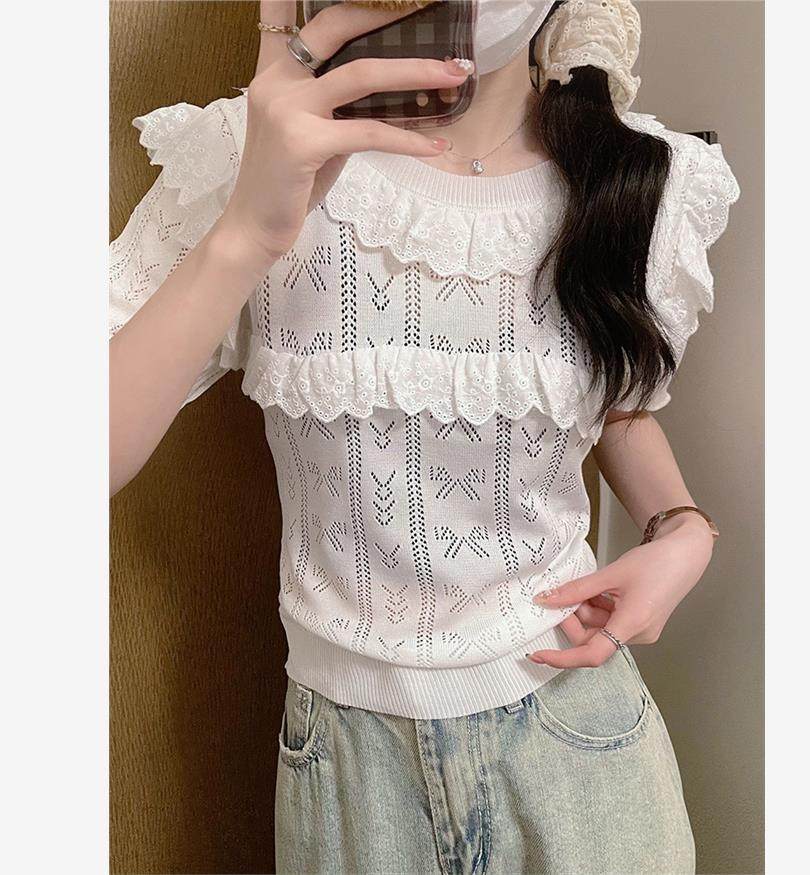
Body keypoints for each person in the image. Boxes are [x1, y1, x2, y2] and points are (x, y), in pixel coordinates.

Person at [109, 1, 740, 872]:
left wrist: (683, 531)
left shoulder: (643, 178)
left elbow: (615, 405)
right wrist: (246, 232)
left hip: (580, 740)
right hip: (349, 766)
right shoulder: (253, 154)